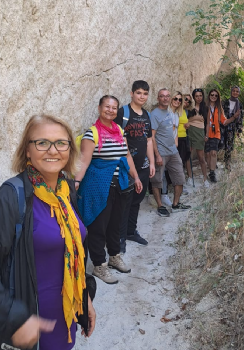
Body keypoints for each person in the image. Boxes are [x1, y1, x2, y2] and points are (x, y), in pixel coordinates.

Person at [0, 114, 96, 350]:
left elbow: (72, 251)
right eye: (42, 142)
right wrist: (13, 320)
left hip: (64, 318)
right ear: (27, 150)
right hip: (27, 326)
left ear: (69, 148)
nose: (53, 150)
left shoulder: (66, 190)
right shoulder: (10, 197)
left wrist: (85, 296)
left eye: (61, 143)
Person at [75, 95, 142, 285]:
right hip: (98, 186)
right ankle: (99, 266)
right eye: (107, 107)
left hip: (119, 186)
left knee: (115, 224)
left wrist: (135, 177)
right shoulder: (92, 133)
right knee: (98, 226)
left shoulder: (120, 131)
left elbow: (127, 156)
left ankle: (114, 256)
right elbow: (84, 160)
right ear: (99, 108)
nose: (110, 110)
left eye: (114, 108)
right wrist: (77, 181)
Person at [114, 81, 155, 254]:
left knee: (137, 201)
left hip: (143, 166)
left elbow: (149, 140)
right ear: (131, 94)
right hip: (125, 167)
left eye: (145, 94)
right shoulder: (123, 113)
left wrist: (152, 162)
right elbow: (117, 140)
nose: (142, 97)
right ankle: (120, 238)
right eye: (139, 93)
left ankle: (131, 231)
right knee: (123, 203)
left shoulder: (146, 115)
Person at [150, 88, 191, 216]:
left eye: (168, 96)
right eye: (162, 96)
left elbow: (173, 130)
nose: (166, 98)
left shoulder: (170, 112)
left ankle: (176, 204)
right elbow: (152, 136)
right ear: (158, 98)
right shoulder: (155, 114)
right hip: (161, 152)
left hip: (173, 151)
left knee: (180, 177)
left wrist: (175, 144)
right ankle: (160, 206)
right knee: (157, 180)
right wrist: (156, 155)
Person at [205, 89, 240, 183]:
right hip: (206, 133)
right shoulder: (205, 107)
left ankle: (212, 173)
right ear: (209, 96)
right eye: (212, 94)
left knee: (213, 153)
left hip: (216, 133)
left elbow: (224, 122)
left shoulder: (219, 109)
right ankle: (210, 170)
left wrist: (234, 117)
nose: (213, 96)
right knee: (208, 154)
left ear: (218, 97)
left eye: (216, 95)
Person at [184, 88, 210, 188]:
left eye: (200, 96)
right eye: (196, 96)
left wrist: (206, 135)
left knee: (201, 157)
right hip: (189, 132)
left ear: (202, 96)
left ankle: (205, 178)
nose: (199, 98)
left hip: (199, 133)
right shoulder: (189, 108)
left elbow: (207, 123)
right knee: (188, 156)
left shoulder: (205, 108)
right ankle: (190, 177)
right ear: (193, 97)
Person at [221, 86, 244, 170]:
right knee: (221, 142)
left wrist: (239, 129)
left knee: (229, 144)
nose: (235, 92)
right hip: (223, 125)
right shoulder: (225, 102)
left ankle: (227, 163)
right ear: (231, 92)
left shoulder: (239, 105)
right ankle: (215, 161)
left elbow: (240, 117)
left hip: (232, 126)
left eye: (237, 91)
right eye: (234, 91)